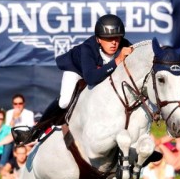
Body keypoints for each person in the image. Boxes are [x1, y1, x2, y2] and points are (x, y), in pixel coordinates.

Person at [13, 14, 134, 145]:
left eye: (117, 38)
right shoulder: (88, 48)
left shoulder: (125, 46)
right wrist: (116, 61)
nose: (114, 43)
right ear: (98, 39)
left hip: (99, 71)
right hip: (78, 70)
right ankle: (35, 131)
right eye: (108, 39)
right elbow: (91, 78)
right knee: (65, 101)